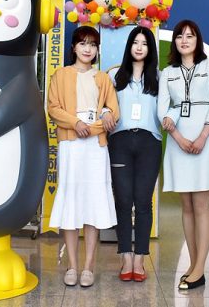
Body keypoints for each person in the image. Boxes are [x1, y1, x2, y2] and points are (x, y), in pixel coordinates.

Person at [47, 25, 120, 288]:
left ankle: (88, 266)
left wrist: (94, 127)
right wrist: (75, 123)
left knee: (93, 202)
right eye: (83, 43)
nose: (88, 49)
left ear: (97, 49)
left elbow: (114, 112)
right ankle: (72, 266)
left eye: (92, 44)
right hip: (71, 145)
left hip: (95, 147)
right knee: (71, 201)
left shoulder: (103, 79)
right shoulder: (61, 75)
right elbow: (53, 108)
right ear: (74, 48)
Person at [158, 19, 209, 290]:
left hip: (205, 141)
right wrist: (178, 137)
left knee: (201, 206)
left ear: (198, 40)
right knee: (186, 206)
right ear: (175, 41)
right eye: (180, 36)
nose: (184, 40)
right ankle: (194, 264)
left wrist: (202, 137)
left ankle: (199, 268)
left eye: (190, 36)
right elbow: (163, 108)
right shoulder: (168, 73)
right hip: (178, 142)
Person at [107, 26, 161, 283]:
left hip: (150, 142)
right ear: (129, 46)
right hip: (120, 141)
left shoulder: (159, 78)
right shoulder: (114, 76)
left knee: (143, 202)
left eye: (145, 43)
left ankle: (139, 259)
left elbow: (169, 108)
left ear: (150, 49)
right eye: (135, 42)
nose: (139, 47)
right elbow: (104, 105)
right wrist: (105, 114)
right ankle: (125, 257)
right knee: (123, 200)